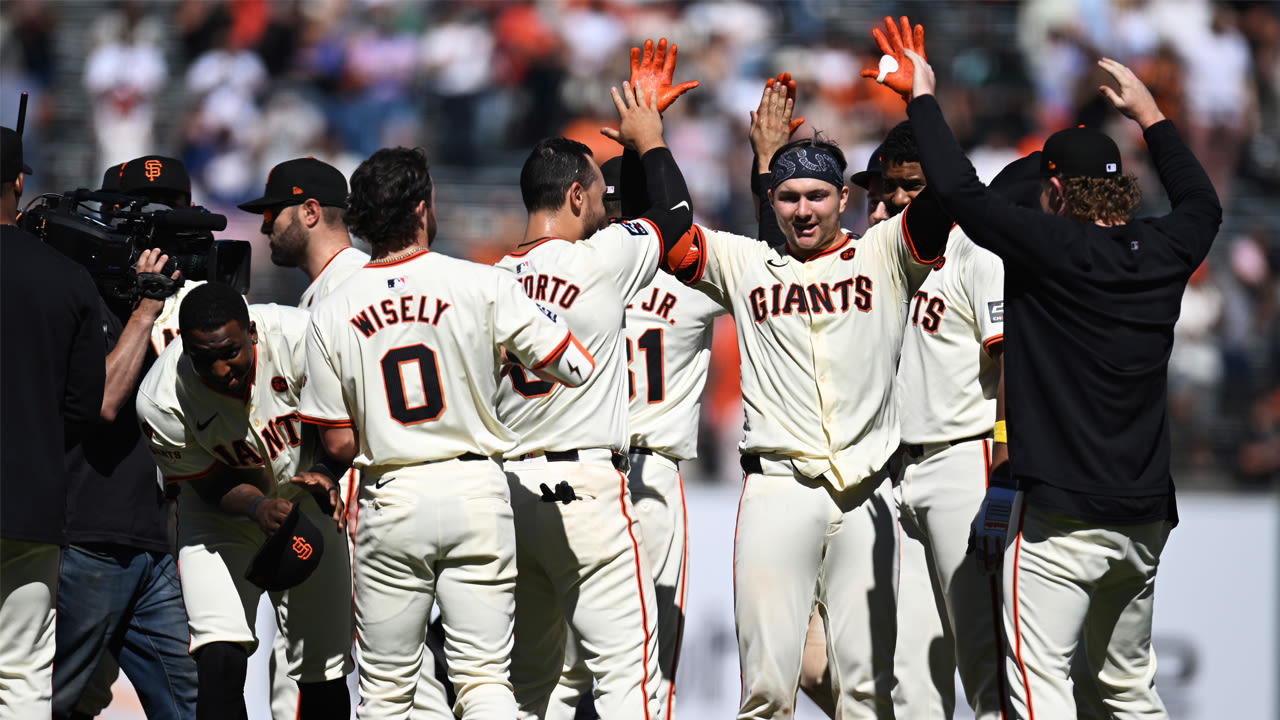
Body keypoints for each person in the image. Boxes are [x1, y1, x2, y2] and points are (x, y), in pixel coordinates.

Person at [900, 44, 1221, 718]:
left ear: (1052, 191)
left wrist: (922, 95)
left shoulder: (1050, 247)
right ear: (1122, 188)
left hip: (1058, 521)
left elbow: (957, 192)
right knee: (1129, 691)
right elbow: (1203, 204)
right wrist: (1152, 115)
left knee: (1040, 691)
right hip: (1143, 514)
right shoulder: (1165, 250)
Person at [661, 29, 953, 713]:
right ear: (772, 198)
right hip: (779, 489)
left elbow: (949, 195)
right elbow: (674, 239)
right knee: (766, 686)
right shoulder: (748, 262)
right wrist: (652, 140)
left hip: (868, 492)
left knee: (864, 689)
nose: (803, 209)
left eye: (817, 196)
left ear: (844, 200)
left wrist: (925, 105)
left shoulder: (885, 254)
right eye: (788, 198)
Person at [297, 145, 595, 719]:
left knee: (386, 692)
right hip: (476, 490)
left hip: (392, 494)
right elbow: (574, 365)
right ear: (421, 208)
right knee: (484, 681)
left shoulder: (332, 310)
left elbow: (336, 443)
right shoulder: (478, 282)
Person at [493, 72, 697, 719]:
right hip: (587, 487)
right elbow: (673, 220)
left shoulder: (485, 281)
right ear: (578, 195)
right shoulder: (602, 259)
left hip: (510, 491)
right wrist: (649, 140)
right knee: (628, 681)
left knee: (528, 688)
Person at [136, 282, 354, 720]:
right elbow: (209, 484)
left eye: (230, 351)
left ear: (252, 332)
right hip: (221, 515)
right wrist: (257, 506)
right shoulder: (160, 396)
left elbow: (354, 417)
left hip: (307, 499)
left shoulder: (303, 339)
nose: (220, 369)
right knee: (219, 653)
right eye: (205, 358)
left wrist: (328, 475)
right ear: (185, 347)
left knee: (323, 667)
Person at [236, 157, 393, 720]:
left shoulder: (347, 291)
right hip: (355, 504)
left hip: (352, 504)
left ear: (308, 212)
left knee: (308, 674)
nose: (262, 227)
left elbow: (364, 417)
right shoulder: (332, 289)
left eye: (271, 213)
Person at [879, 119, 1015, 720]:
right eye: (885, 188)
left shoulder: (978, 252)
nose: (893, 199)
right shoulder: (884, 258)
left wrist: (1006, 468)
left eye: (909, 186)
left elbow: (1011, 361)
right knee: (910, 676)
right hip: (902, 472)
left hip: (967, 458)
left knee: (987, 666)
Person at [51, 240, 199, 720]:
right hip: (90, 541)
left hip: (152, 542)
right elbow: (105, 401)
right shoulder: (77, 297)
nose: (166, 251)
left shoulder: (172, 310)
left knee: (189, 700)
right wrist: (145, 311)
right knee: (53, 699)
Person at [1, 125, 106, 720]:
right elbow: (83, 408)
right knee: (22, 675)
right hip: (31, 503)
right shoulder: (67, 278)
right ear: (19, 182)